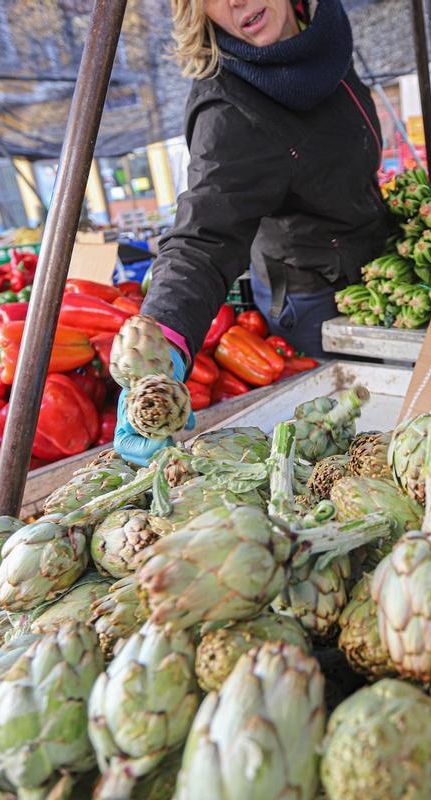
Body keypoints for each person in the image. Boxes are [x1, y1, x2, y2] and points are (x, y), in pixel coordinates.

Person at [115, 0, 390, 464]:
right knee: (349, 446)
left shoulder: (324, 37)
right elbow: (201, 239)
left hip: (373, 272)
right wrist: (161, 346)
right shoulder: (228, 110)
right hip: (314, 299)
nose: (235, 1)